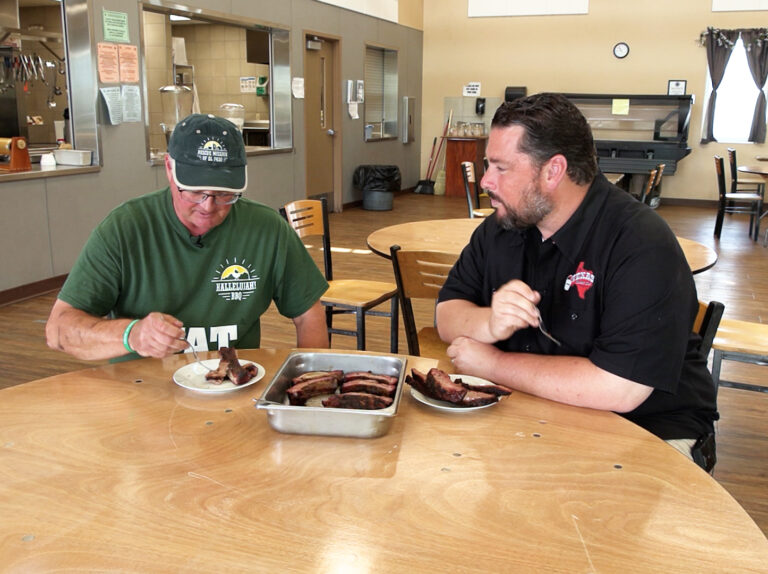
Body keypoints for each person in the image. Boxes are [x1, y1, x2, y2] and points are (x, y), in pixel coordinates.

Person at [436, 93, 718, 471]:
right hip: (537, 414)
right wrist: (487, 323)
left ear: (553, 171)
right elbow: (447, 314)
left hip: (648, 430)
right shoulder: (502, 228)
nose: (486, 180)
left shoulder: (639, 242)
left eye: (501, 168)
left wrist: (492, 364)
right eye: (489, 165)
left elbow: (620, 387)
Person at [46, 113, 329, 361]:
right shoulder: (124, 229)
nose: (208, 205)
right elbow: (58, 330)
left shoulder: (267, 229)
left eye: (223, 194)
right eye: (194, 191)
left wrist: (309, 384)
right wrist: (131, 335)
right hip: (143, 393)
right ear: (169, 168)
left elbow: (308, 314)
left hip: (232, 387)